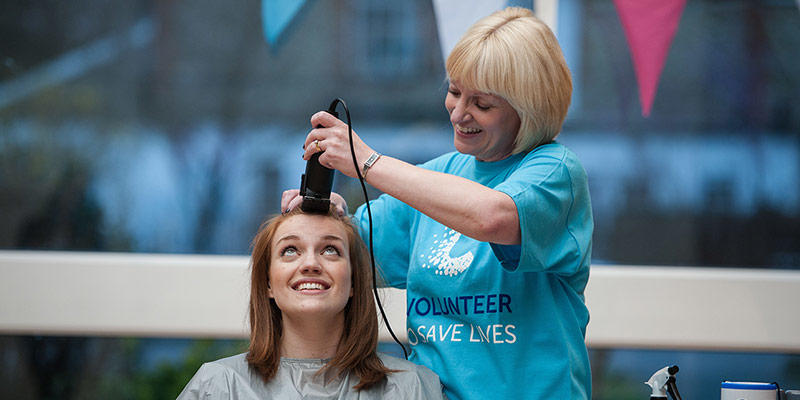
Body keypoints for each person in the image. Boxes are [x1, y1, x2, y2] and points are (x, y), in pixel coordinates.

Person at [284, 6, 592, 400]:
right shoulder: (438, 176)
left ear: (528, 109)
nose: (459, 113)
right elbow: (351, 249)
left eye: (482, 104)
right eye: (454, 91)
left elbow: (493, 216)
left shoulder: (556, 172)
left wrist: (367, 162)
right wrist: (326, 220)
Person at [177, 207, 445, 399]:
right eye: (290, 250)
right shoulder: (219, 386)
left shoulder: (412, 388)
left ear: (353, 283)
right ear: (268, 283)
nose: (310, 264)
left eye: (330, 250)